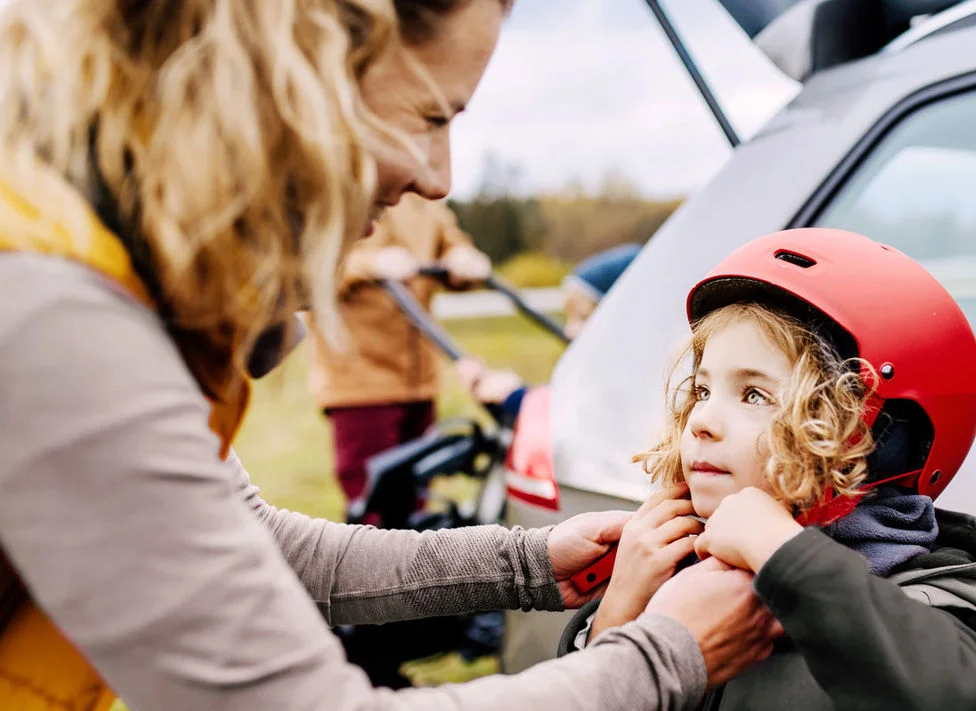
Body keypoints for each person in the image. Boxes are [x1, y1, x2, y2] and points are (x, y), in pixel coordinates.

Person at [0, 1, 780, 710]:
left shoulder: (101, 275)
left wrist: (528, 562)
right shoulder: (51, 322)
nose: (438, 178)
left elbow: (260, 546)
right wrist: (664, 656)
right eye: (429, 116)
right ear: (291, 85)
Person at [558, 228, 976, 710]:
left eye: (754, 395)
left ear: (874, 437)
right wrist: (617, 614)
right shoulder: (673, 567)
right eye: (701, 391)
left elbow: (958, 695)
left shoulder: (936, 587)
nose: (700, 421)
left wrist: (781, 551)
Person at [309, 193, 492, 507]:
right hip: (360, 382)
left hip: (419, 380)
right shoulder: (336, 187)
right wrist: (371, 263)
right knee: (371, 502)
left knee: (417, 495)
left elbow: (451, 241)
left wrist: (463, 257)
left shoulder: (423, 199)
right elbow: (309, 264)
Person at [456, 242, 642, 420]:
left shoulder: (627, 386)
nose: (569, 331)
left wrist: (518, 398)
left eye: (583, 317)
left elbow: (574, 423)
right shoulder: (603, 374)